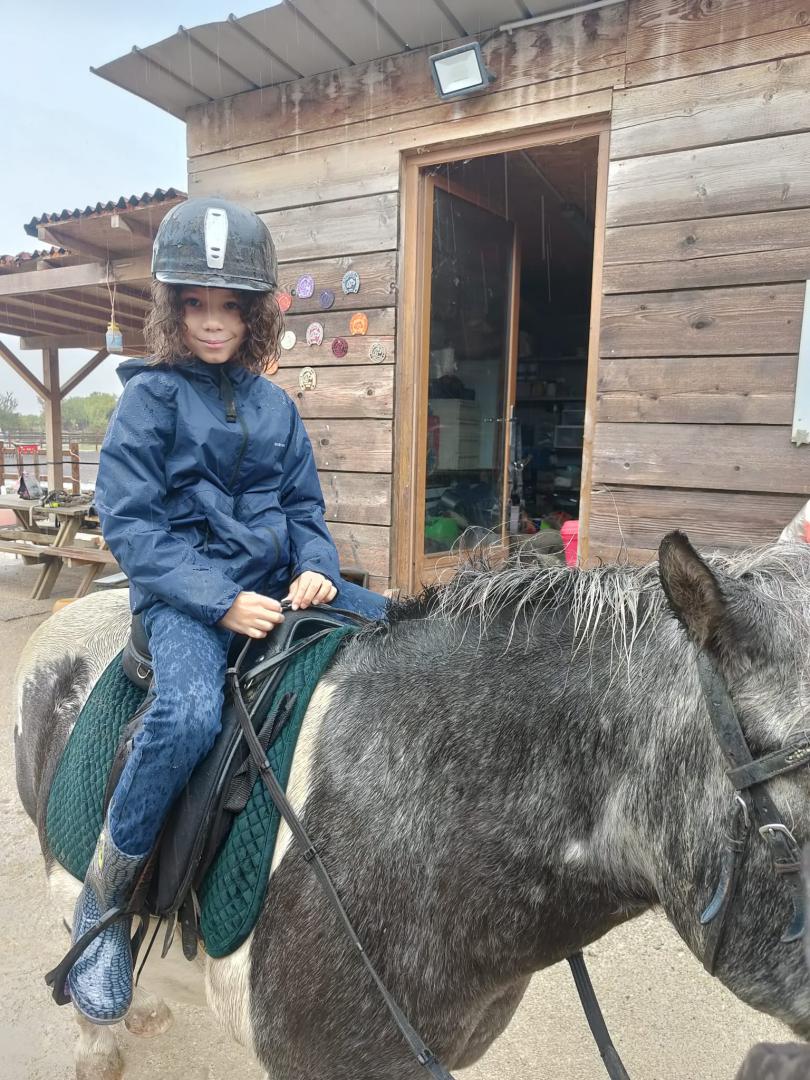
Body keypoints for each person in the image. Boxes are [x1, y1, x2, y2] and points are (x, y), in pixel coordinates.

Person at [66, 197, 387, 1024]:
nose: (213, 322)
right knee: (186, 713)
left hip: (276, 582)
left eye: (230, 306)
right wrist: (218, 601)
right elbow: (131, 523)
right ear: (174, 309)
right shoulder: (149, 401)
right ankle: (105, 896)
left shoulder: (277, 407)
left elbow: (305, 507)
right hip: (184, 596)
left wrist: (316, 569)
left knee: (399, 630)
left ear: (254, 314)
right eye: (197, 304)